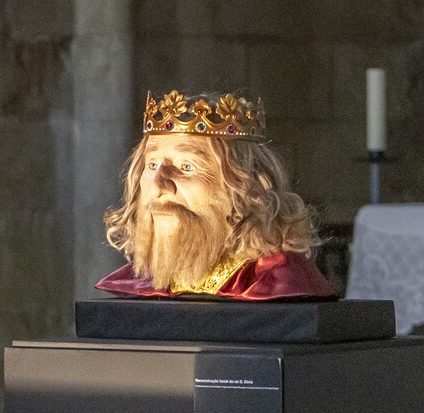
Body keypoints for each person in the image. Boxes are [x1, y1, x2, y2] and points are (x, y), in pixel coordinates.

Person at [97, 91, 335, 300]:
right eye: (152, 165)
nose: (158, 185)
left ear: (244, 187)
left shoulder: (276, 282)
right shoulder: (140, 284)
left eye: (186, 167)